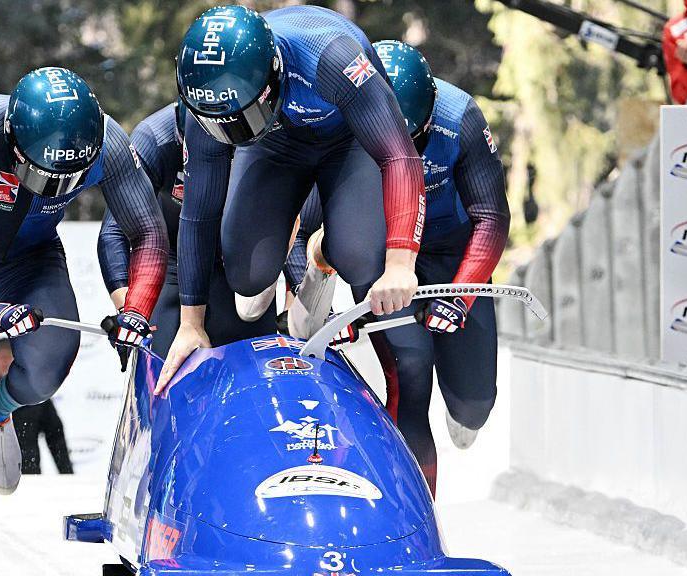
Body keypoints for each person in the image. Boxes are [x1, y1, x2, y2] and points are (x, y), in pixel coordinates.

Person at [0, 67, 168, 574]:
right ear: (14, 143)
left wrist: (135, 309)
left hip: (31, 262)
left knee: (47, 372)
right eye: (43, 176)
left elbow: (148, 234)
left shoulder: (108, 140)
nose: (55, 189)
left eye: (68, 181)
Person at [157, 4, 427, 392]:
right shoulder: (209, 106)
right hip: (273, 143)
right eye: (224, 125)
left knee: (364, 261)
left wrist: (401, 262)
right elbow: (199, 212)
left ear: (274, 77)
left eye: (242, 120)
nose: (232, 131)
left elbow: (399, 155)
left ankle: (319, 254)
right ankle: (281, 231)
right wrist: (191, 324)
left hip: (348, 139)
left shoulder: (333, 58)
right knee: (246, 279)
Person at [289, 41, 509, 496]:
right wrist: (313, 299)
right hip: (384, 257)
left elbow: (491, 217)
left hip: (452, 253)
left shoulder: (459, 118)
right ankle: (414, 515)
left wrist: (461, 295)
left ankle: (463, 400)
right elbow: (301, 230)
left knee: (473, 409)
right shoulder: (337, 119)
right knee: (411, 370)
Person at [98, 102, 277, 359]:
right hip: (173, 261)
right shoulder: (153, 138)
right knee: (163, 359)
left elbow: (290, 213)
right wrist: (130, 312)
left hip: (238, 259)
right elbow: (114, 232)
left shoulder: (260, 127)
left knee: (253, 363)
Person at [0, 339, 72, 474]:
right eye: (1, 357)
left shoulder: (34, 392)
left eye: (9, 358)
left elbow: (55, 435)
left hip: (28, 476)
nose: (5, 362)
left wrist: (67, 474)